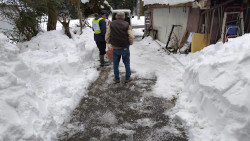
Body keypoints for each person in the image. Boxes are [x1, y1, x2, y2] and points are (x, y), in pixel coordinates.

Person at [105, 11, 134, 83]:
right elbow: (131, 36)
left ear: (116, 16)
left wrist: (108, 42)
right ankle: (127, 78)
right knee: (127, 63)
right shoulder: (127, 24)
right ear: (124, 17)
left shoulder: (111, 24)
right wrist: (130, 43)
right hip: (125, 47)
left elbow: (107, 35)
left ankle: (117, 78)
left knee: (115, 64)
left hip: (115, 47)